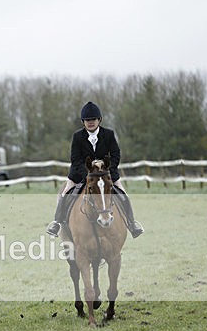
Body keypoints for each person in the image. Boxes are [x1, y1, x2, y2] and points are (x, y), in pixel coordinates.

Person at [46, 101, 144, 239]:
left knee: (123, 195)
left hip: (107, 174)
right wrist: (88, 174)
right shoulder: (77, 136)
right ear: (83, 122)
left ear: (99, 120)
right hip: (79, 174)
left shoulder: (109, 134)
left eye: (93, 119)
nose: (90, 122)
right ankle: (57, 223)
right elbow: (75, 159)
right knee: (65, 194)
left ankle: (132, 224)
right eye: (87, 120)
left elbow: (115, 155)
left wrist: (108, 171)